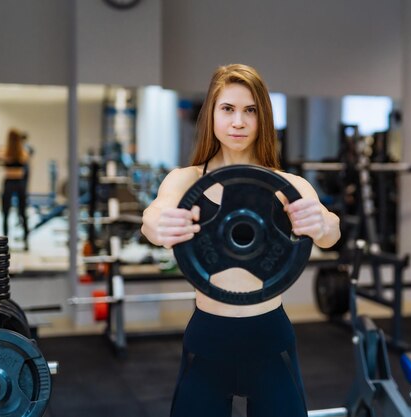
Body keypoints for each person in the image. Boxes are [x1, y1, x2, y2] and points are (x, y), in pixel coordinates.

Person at [141, 64, 341, 417]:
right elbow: (154, 216)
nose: (238, 122)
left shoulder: (286, 185)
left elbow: (331, 231)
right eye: (228, 109)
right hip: (208, 336)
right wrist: (159, 225)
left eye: (250, 110)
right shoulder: (186, 180)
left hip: (269, 335)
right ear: (212, 116)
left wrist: (320, 222)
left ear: (262, 117)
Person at [0, 128, 31, 250]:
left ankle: (22, 241)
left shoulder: (18, 151)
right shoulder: (11, 151)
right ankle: (17, 241)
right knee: (11, 212)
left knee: (16, 212)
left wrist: (4, 158)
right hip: (15, 182)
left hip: (14, 182)